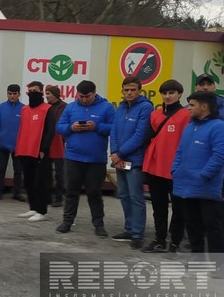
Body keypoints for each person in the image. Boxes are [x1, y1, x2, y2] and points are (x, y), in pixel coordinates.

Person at [171, 91, 224, 278]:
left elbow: (221, 155)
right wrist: (175, 170)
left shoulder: (219, 127)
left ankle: (218, 265)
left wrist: (204, 175)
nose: (188, 108)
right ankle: (197, 258)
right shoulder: (190, 127)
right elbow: (180, 151)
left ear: (204, 106)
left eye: (192, 105)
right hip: (186, 186)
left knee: (213, 226)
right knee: (193, 224)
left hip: (206, 188)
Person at [55, 80, 115, 236]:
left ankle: (99, 225)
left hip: (96, 160)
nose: (83, 99)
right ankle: (67, 222)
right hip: (73, 158)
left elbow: (115, 128)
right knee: (71, 192)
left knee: (94, 193)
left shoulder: (107, 107)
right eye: (80, 96)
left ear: (94, 93)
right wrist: (71, 127)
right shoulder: (71, 107)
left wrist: (97, 127)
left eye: (87, 96)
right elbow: (59, 127)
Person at [141, 79, 190, 253]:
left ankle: (175, 242)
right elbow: (147, 138)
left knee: (178, 208)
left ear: (179, 94)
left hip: (176, 169)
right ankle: (159, 239)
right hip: (155, 167)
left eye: (171, 93)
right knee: (158, 207)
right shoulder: (155, 114)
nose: (167, 96)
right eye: (165, 93)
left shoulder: (187, 115)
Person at [109, 76, 154, 250]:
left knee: (136, 197)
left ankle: (137, 234)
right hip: (119, 159)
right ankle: (128, 229)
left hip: (134, 160)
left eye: (133, 89)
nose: (129, 92)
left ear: (139, 90)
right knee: (124, 195)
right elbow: (113, 130)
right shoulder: (120, 107)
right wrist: (114, 152)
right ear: (122, 90)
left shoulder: (145, 107)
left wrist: (119, 153)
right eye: (126, 89)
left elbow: (140, 136)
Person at [15, 81, 57, 221]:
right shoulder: (25, 109)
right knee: (28, 181)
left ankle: (42, 211)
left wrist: (44, 149)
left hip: (40, 152)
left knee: (41, 182)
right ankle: (33, 208)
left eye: (35, 90)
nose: (32, 93)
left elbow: (50, 131)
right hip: (25, 150)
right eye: (30, 91)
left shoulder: (47, 109)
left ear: (41, 92)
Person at [0, 84, 24, 200]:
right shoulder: (0, 107)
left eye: (14, 94)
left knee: (18, 170)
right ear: (7, 94)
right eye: (10, 93)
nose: (12, 96)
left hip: (18, 146)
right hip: (3, 145)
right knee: (1, 169)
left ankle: (17, 193)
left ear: (19, 94)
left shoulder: (24, 109)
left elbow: (26, 128)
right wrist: (0, 136)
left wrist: (22, 141)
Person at [195, 73, 224, 151]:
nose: (205, 87)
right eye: (201, 84)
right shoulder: (187, 110)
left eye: (209, 84)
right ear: (195, 88)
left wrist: (220, 154)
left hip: (216, 159)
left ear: (214, 87)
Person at [45, 85, 67, 206]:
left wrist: (63, 139)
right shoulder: (46, 107)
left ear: (55, 94)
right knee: (47, 172)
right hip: (47, 143)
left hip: (60, 144)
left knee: (59, 172)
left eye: (48, 93)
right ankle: (47, 196)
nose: (46, 96)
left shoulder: (65, 107)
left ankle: (59, 197)